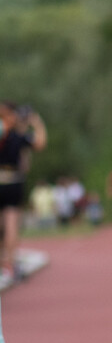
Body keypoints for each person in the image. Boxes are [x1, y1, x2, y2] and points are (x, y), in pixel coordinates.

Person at [0, 102, 47, 286]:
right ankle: (10, 265)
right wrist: (37, 123)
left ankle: (4, 263)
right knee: (11, 225)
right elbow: (40, 143)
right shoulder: (17, 136)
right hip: (12, 180)